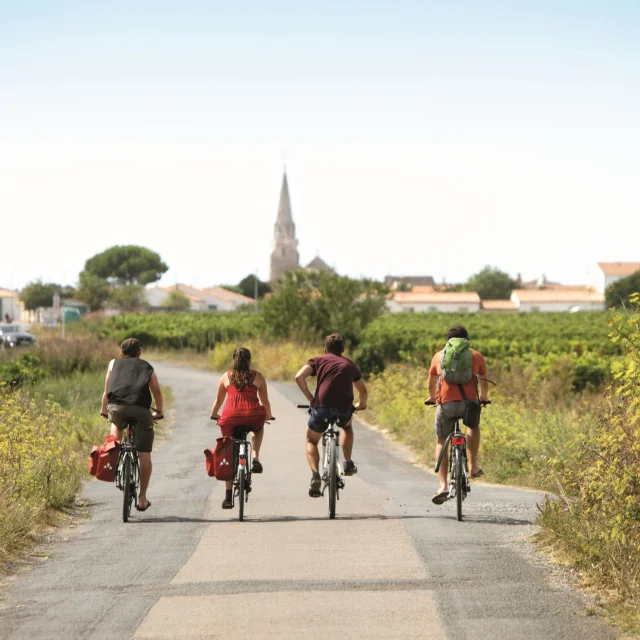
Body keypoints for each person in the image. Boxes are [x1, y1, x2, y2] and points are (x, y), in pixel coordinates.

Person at [295, 333, 368, 497]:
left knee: (311, 440)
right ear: (343, 349)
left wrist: (310, 398)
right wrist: (361, 404)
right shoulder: (349, 364)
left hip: (321, 407)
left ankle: (315, 475)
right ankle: (348, 462)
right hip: (343, 409)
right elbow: (362, 390)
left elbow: (299, 376)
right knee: (346, 427)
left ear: (325, 349)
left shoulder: (317, 360)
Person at [426, 325, 489, 505]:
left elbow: (431, 381)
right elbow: (483, 382)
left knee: (441, 440)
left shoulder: (439, 356)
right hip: (469, 404)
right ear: (466, 340)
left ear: (448, 340)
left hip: (446, 404)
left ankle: (443, 486)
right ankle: (472, 466)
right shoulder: (476, 356)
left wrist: (432, 398)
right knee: (473, 427)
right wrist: (483, 398)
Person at [101, 338, 163, 512]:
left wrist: (103, 410)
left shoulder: (113, 364)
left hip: (116, 407)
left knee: (116, 424)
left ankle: (113, 455)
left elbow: (107, 391)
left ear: (122, 352)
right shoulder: (147, 367)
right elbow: (156, 391)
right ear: (139, 353)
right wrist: (159, 411)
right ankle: (142, 498)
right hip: (141, 410)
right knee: (144, 452)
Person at [210, 347, 273, 509]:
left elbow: (218, 402)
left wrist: (214, 414)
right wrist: (268, 415)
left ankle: (228, 497)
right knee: (258, 428)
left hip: (230, 418)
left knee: (229, 452)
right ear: (249, 360)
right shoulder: (257, 376)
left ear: (233, 359)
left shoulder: (226, 377)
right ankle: (255, 457)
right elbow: (265, 402)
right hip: (253, 415)